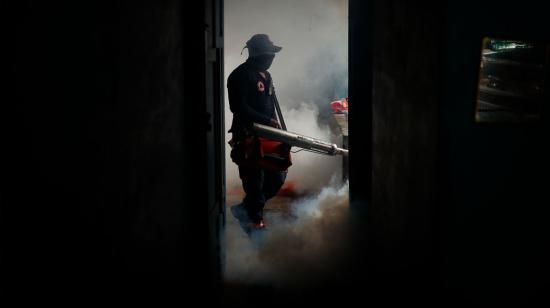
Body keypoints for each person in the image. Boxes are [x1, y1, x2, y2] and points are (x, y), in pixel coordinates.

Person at [227, 34, 287, 234]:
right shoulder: (239, 76)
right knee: (254, 182)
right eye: (267, 56)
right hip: (248, 136)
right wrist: (266, 121)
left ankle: (245, 210)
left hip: (269, 136)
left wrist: (279, 130)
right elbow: (238, 108)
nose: (270, 59)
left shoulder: (266, 76)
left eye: (272, 56)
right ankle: (255, 223)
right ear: (255, 54)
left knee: (277, 177)